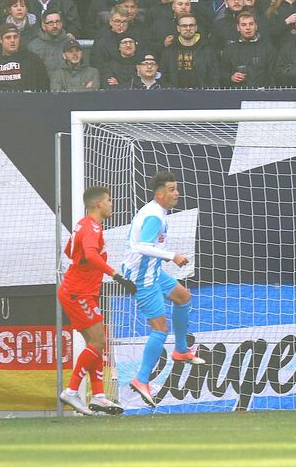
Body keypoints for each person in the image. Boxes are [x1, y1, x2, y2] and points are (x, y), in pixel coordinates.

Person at [123, 172, 205, 407]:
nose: (176, 193)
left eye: (176, 188)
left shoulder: (157, 211)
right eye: (171, 189)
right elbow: (141, 246)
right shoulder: (154, 217)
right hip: (142, 276)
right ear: (159, 194)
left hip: (154, 271)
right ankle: (140, 379)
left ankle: (180, 350)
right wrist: (172, 256)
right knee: (159, 330)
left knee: (183, 297)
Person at [56, 186, 136, 416]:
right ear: (98, 204)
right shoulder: (91, 227)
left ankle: (99, 396)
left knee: (96, 343)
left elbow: (71, 251)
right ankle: (71, 390)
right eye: (109, 200)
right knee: (99, 342)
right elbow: (89, 255)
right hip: (78, 292)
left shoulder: (82, 224)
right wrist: (116, 276)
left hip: (81, 291)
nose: (112, 204)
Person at [162, 13, 220, 87]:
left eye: (191, 25)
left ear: (196, 28)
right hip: (175, 95)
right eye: (184, 26)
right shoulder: (168, 52)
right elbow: (164, 77)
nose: (188, 28)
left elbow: (215, 78)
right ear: (178, 28)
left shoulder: (208, 51)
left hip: (202, 95)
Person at [221, 10, 276, 87]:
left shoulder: (268, 48)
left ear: (256, 26)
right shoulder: (229, 50)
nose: (248, 28)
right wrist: (231, 77)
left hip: (262, 94)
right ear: (238, 27)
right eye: (243, 25)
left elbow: (274, 75)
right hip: (236, 94)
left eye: (251, 24)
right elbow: (221, 73)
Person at [0, 23, 50, 91]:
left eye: (15, 37)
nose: (12, 40)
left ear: (19, 38)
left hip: (26, 100)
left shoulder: (33, 60)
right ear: (0, 40)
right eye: (8, 37)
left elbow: (44, 87)